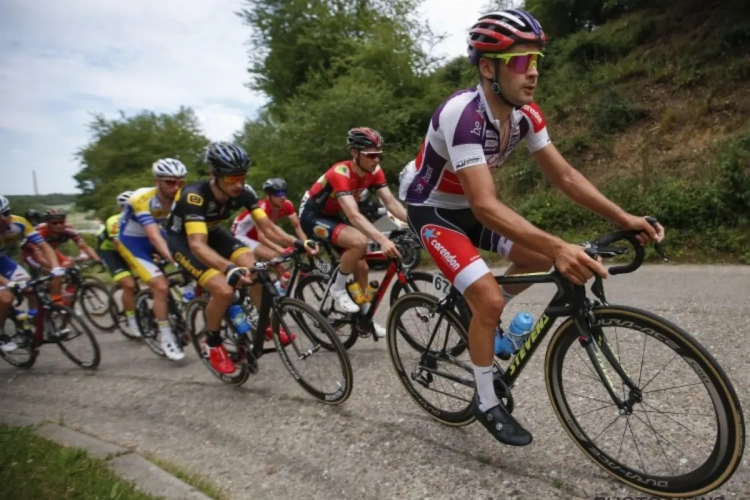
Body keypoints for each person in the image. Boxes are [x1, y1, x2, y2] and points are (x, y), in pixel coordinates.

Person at [403, 9, 665, 446]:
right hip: (434, 210)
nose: (534, 73)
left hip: (470, 207)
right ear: (488, 68)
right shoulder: (463, 115)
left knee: (538, 260)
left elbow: (565, 177)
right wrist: (561, 245)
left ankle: (486, 317)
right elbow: (486, 205)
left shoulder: (525, 114)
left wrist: (624, 218)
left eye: (538, 61)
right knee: (489, 296)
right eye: (522, 61)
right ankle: (486, 402)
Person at [165, 142, 316, 375]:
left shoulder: (245, 193)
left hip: (213, 233)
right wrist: (228, 268)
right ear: (214, 175)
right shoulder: (194, 196)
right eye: (231, 179)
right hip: (185, 241)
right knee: (223, 290)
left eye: (241, 177)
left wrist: (298, 243)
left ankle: (262, 325)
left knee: (257, 270)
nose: (237, 184)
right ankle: (213, 344)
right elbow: (197, 244)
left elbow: (267, 227)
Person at [299, 127, 408, 336]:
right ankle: (338, 288)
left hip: (332, 216)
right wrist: (382, 240)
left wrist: (416, 223)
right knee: (359, 242)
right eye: (371, 155)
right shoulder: (340, 172)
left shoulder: (374, 171)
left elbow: (392, 204)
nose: (377, 160)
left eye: (379, 154)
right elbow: (354, 215)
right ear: (355, 153)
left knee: (363, 269)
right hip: (312, 217)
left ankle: (364, 318)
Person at [118, 158, 187, 360]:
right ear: (157, 181)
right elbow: (153, 236)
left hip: (157, 234)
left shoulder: (181, 197)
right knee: (161, 287)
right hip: (133, 242)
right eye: (170, 182)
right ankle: (166, 338)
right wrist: (175, 260)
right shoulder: (142, 199)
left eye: (180, 182)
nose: (176, 187)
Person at [0, 196, 64, 352]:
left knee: (30, 287)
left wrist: (56, 267)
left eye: (6, 213)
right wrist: (8, 284)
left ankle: (32, 317)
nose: (4, 219)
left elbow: (43, 246)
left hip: (2, 260)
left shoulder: (19, 223)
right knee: (6, 298)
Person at [231, 178, 307, 262]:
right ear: (268, 196)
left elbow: (297, 226)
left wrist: (306, 244)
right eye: (279, 194)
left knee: (290, 249)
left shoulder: (287, 204)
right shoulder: (260, 209)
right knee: (274, 256)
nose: (283, 197)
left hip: (260, 233)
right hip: (241, 234)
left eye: (284, 193)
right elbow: (262, 238)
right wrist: (282, 250)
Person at [97, 190, 139, 337]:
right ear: (120, 208)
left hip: (131, 251)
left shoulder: (143, 218)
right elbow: (118, 244)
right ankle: (131, 319)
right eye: (126, 207)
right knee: (129, 285)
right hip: (112, 253)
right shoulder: (114, 221)